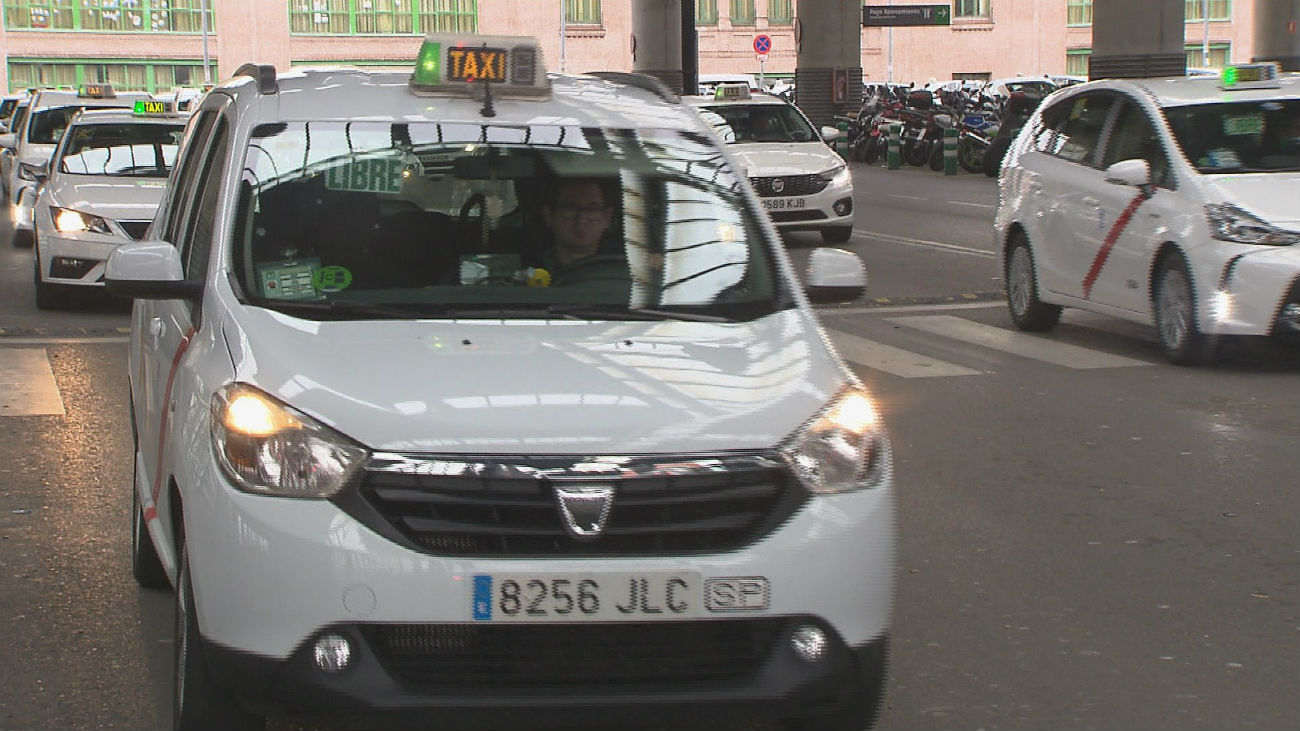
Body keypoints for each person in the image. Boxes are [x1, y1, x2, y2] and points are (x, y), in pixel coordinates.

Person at [539, 177, 618, 276]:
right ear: (549, 216)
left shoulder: (626, 270)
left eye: (592, 210)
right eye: (570, 208)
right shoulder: (526, 269)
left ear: (607, 217)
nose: (581, 220)